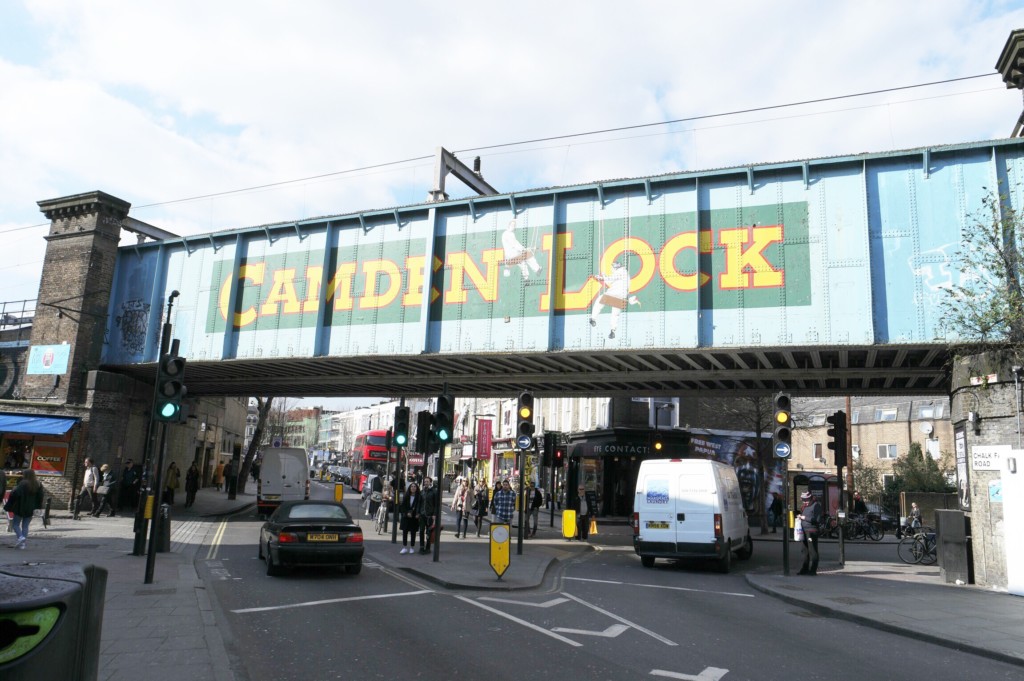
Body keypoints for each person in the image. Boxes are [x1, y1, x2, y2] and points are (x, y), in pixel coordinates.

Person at [4, 469, 45, 549]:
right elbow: (40, 497)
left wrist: (9, 504)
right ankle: (23, 544)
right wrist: (38, 507)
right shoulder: (38, 484)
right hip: (31, 508)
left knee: (15, 525)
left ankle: (20, 537)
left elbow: (15, 494)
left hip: (20, 506)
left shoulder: (22, 484)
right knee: (25, 526)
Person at [797, 491, 823, 575]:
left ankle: (813, 570)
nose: (805, 502)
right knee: (804, 550)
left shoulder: (816, 505)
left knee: (813, 551)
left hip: (811, 531)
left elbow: (817, 520)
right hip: (804, 530)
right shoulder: (805, 506)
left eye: (806, 500)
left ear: (810, 498)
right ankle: (804, 568)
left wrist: (804, 517)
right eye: (803, 500)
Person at [399, 482, 422, 554]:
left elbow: (420, 506)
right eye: (412, 486)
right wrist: (406, 513)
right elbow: (402, 507)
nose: (413, 488)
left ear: (417, 488)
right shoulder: (406, 496)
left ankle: (412, 547)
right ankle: (404, 547)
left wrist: (418, 514)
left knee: (413, 533)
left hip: (414, 517)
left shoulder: (419, 497)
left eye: (415, 486)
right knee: (405, 532)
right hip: (406, 517)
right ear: (409, 488)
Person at [419, 477, 439, 554]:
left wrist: (434, 514)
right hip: (422, 514)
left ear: (430, 482)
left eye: (427, 481)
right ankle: (421, 547)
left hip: (430, 515)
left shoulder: (434, 492)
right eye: (425, 481)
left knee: (429, 532)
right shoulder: (421, 492)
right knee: (421, 531)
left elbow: (436, 505)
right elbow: (419, 503)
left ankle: (428, 547)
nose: (426, 483)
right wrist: (418, 512)